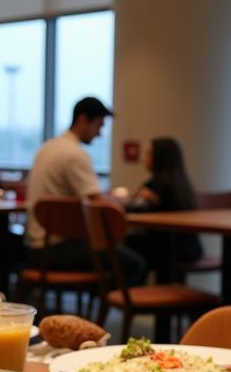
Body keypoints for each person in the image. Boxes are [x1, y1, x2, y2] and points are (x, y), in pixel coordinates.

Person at [25, 97, 147, 285]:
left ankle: (98, 309)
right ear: (83, 120)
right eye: (99, 125)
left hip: (34, 246)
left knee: (114, 253)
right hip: (57, 249)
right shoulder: (75, 154)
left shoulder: (47, 147)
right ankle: (107, 312)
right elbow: (97, 201)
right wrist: (128, 199)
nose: (100, 134)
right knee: (135, 264)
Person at [125, 137, 203, 277]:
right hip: (192, 248)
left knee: (122, 248)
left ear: (159, 158)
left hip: (169, 251)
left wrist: (127, 198)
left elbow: (132, 210)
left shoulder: (157, 186)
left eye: (149, 153)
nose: (145, 158)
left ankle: (130, 295)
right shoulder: (182, 184)